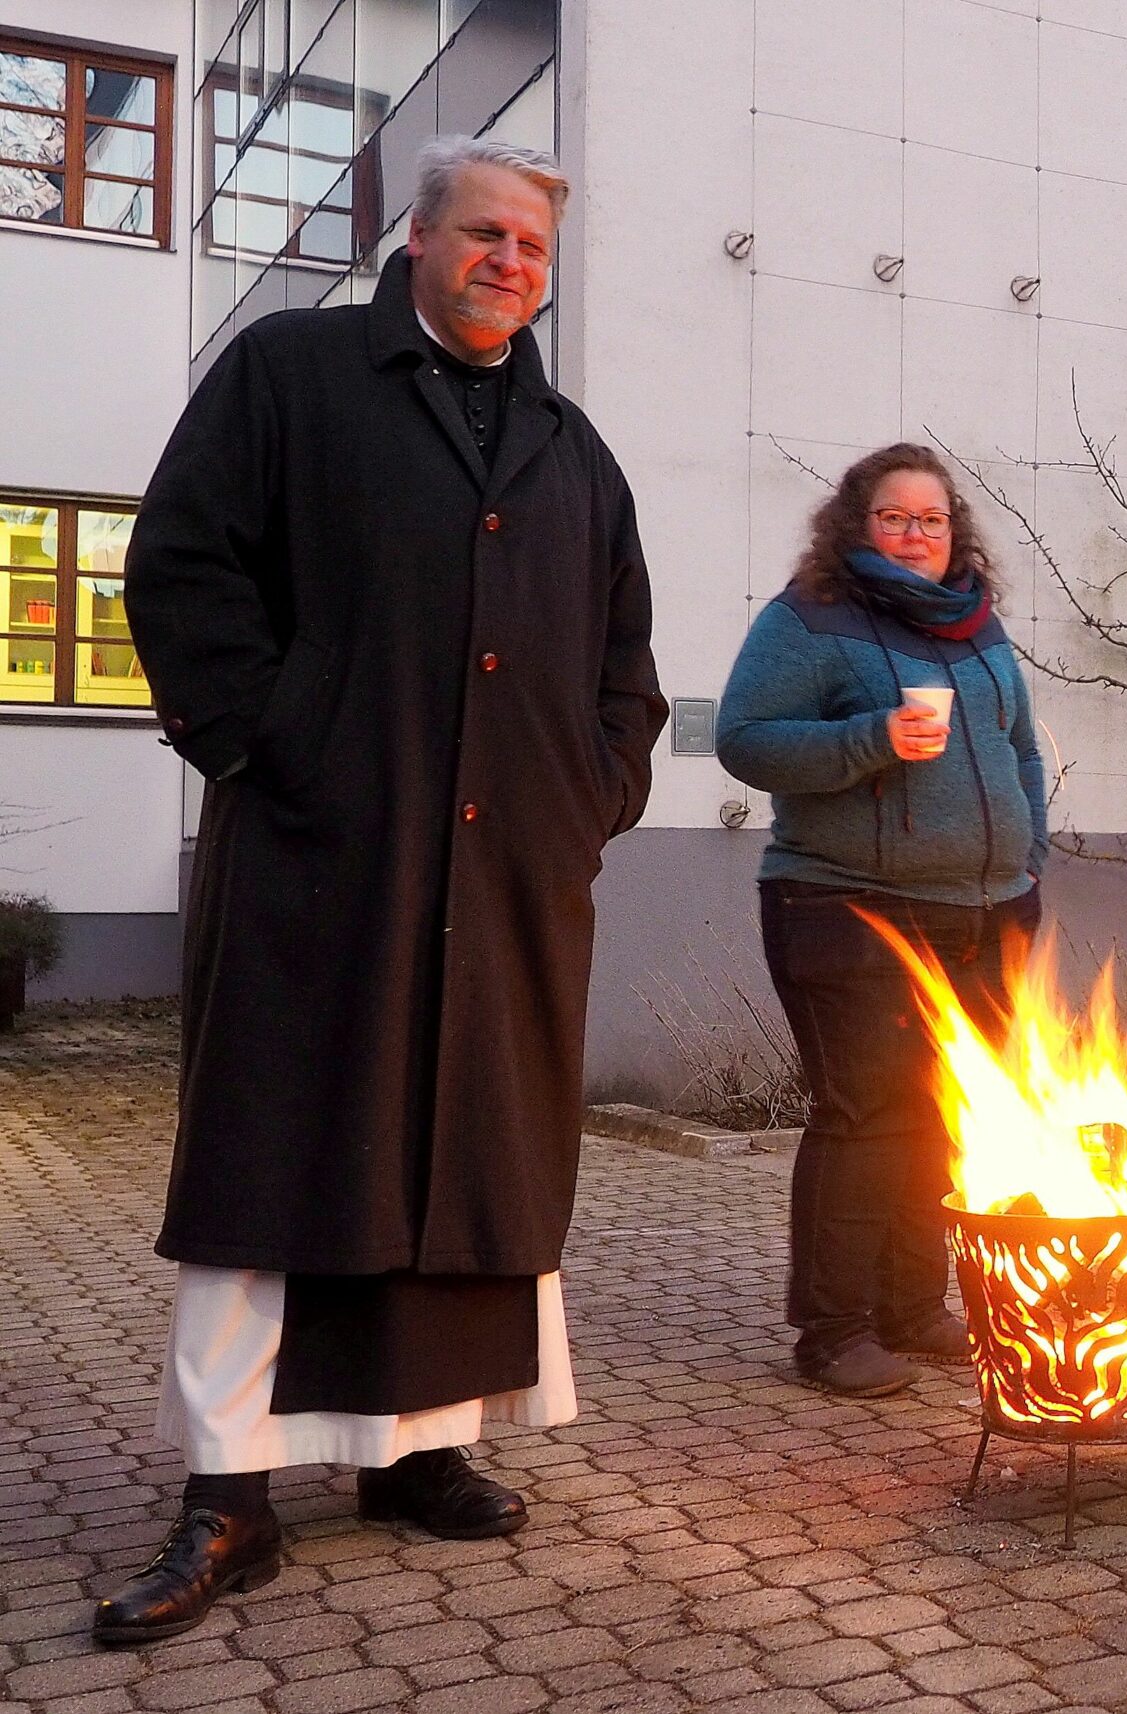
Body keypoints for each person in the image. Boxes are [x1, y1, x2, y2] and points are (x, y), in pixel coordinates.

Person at [106, 138, 665, 1645]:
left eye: (534, 247)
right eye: (484, 233)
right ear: (414, 239)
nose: (510, 263)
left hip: (507, 880)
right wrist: (282, 746)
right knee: (275, 1163)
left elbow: (628, 671)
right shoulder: (288, 376)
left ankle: (422, 1448)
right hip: (318, 864)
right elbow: (180, 572)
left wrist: (588, 803)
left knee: (463, 1162)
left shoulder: (571, 447)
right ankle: (228, 1493)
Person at [716, 443, 1046, 1398]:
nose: (915, 535)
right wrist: (870, 739)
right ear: (858, 524)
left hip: (986, 909)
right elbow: (746, 740)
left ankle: (911, 1307)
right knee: (865, 1116)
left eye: (931, 520)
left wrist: (1029, 857)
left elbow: (1019, 748)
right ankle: (835, 1331)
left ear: (955, 532)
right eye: (895, 518)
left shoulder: (978, 626)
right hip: (845, 903)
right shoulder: (811, 618)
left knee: (948, 1118)